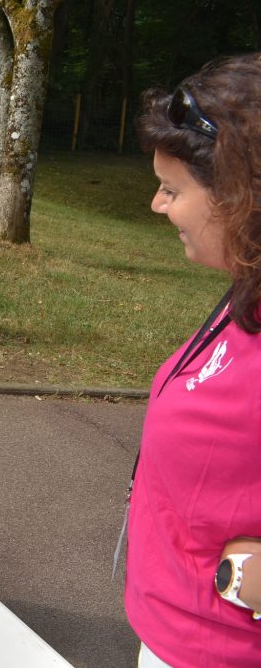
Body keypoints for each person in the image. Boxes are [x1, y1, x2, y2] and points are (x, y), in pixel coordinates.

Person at [124, 53, 261, 668]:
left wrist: (240, 584)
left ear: (239, 197)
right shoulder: (247, 287)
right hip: (175, 629)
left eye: (173, 190)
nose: (158, 206)